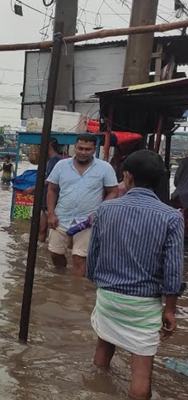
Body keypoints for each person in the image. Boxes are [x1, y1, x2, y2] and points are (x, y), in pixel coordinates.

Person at [87, 150, 184, 400]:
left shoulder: (106, 209)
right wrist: (170, 309)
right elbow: (173, 270)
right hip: (144, 304)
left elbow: (93, 258)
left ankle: (96, 392)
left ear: (127, 177)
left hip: (108, 296)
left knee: (102, 352)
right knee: (141, 376)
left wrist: (102, 284)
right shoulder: (172, 217)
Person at [46, 134, 118, 276]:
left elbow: (113, 192)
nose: (83, 152)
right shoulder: (61, 165)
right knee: (55, 253)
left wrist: (98, 213)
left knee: (80, 258)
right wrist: (51, 213)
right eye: (80, 148)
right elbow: (52, 189)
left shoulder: (105, 168)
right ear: (75, 148)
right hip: (61, 217)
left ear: (94, 150)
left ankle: (75, 293)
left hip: (88, 221)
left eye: (87, 149)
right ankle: (60, 281)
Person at [23, 138, 61, 242]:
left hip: (51, 200)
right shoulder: (50, 161)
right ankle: (40, 251)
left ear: (47, 147)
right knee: (42, 228)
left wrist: (32, 188)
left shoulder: (55, 161)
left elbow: (50, 180)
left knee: (51, 228)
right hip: (46, 200)